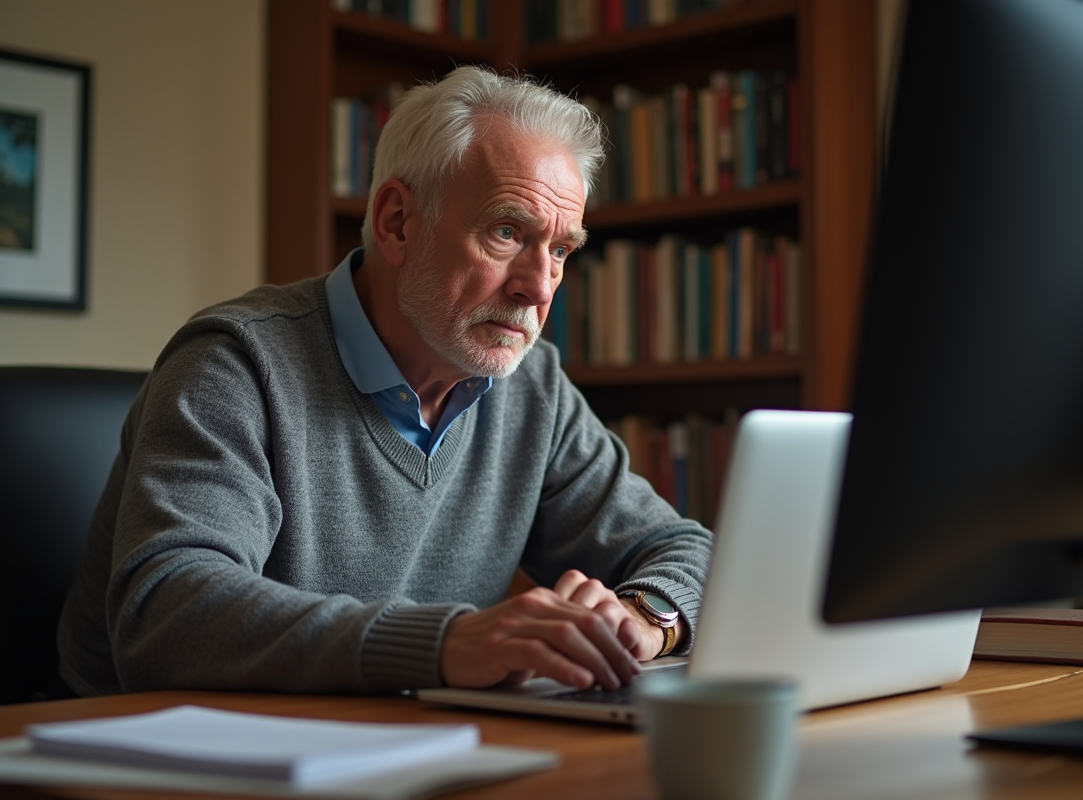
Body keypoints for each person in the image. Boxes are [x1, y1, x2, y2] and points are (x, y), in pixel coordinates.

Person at [56, 66, 713, 698]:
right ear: (397, 221)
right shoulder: (236, 364)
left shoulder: (533, 386)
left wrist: (644, 618)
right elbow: (167, 612)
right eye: (507, 231)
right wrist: (444, 645)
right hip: (155, 747)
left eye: (561, 250)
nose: (539, 287)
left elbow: (689, 550)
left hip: (410, 740)